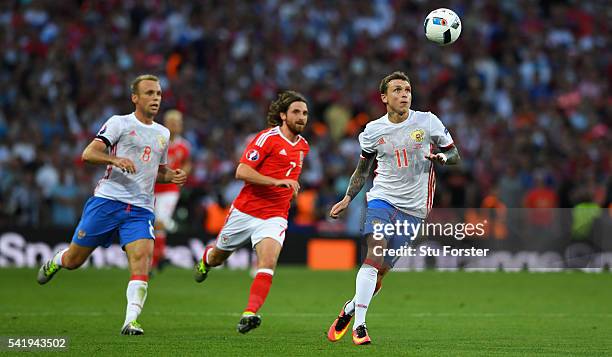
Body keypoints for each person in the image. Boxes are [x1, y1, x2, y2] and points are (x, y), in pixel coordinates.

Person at [36, 74, 187, 335]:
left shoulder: (163, 133)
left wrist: (170, 175)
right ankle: (56, 261)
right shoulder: (119, 123)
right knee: (74, 260)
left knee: (142, 261)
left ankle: (131, 321)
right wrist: (115, 161)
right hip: (107, 201)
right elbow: (88, 154)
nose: (155, 99)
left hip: (140, 209)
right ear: (135, 98)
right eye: (149, 93)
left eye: (159, 94)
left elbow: (155, 170)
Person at [326, 71, 461, 345]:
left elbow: (454, 153)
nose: (404, 95)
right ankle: (360, 327)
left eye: (408, 90)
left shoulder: (427, 121)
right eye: (397, 90)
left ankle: (349, 309)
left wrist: (443, 159)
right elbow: (362, 171)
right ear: (384, 97)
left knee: (380, 273)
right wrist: (347, 198)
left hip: (414, 210)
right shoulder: (373, 131)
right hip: (382, 200)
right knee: (373, 257)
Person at [193, 90, 309, 334]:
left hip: (275, 216)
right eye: (296, 112)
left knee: (268, 262)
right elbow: (242, 171)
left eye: (305, 113)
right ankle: (206, 259)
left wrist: (289, 187)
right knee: (218, 257)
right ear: (283, 115)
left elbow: (289, 175)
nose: (302, 117)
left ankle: (249, 313)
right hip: (245, 211)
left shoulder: (304, 147)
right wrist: (276, 181)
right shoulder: (267, 138)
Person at [152, 109, 192, 271]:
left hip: (170, 190)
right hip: (152, 188)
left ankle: (156, 259)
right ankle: (159, 256)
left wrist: (184, 173)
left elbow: (187, 163)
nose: (177, 126)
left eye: (179, 123)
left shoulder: (184, 146)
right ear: (166, 124)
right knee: (153, 223)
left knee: (160, 222)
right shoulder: (158, 142)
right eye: (173, 123)